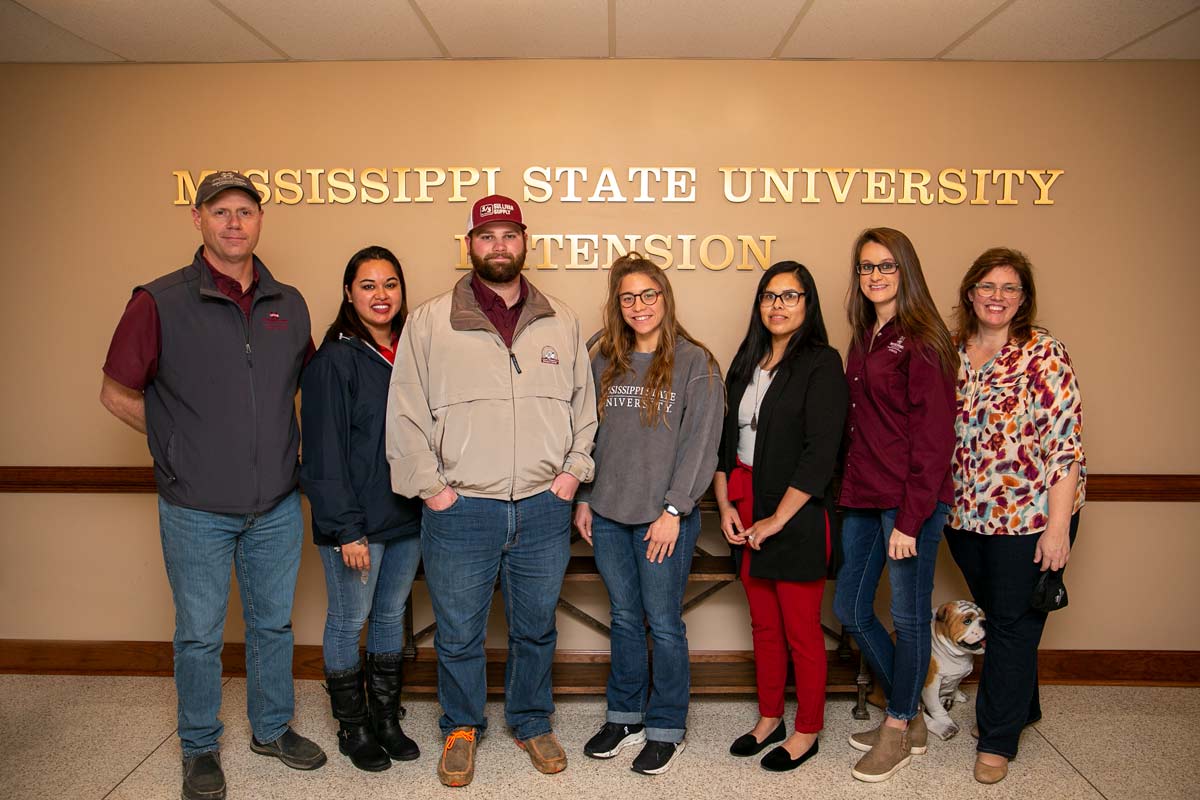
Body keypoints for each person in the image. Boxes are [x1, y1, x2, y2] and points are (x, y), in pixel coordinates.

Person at [99, 171, 325, 800]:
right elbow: (115, 393)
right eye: (220, 211)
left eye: (245, 211)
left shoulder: (289, 302)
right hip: (195, 505)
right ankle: (199, 746)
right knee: (199, 634)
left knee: (272, 625)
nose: (234, 223)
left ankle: (273, 728)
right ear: (197, 219)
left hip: (277, 504)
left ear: (260, 220)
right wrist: (177, 442)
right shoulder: (159, 301)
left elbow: (307, 388)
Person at [386, 194, 597, 787]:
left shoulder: (562, 319)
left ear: (524, 242)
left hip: (542, 507)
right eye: (487, 236)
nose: (498, 245)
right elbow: (404, 414)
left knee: (536, 627)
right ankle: (460, 726)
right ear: (470, 245)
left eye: (509, 235)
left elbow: (585, 406)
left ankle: (532, 721)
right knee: (458, 632)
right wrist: (433, 492)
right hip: (461, 509)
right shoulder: (429, 321)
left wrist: (569, 476)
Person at [574, 253, 724, 776]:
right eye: (627, 297)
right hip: (609, 513)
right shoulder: (603, 361)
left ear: (665, 298)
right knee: (622, 618)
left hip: (664, 518)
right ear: (617, 305)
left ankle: (665, 726)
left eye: (648, 295)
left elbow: (702, 447)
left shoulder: (695, 362)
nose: (639, 306)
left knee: (662, 623)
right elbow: (587, 438)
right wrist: (584, 498)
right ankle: (625, 715)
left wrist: (673, 510)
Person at [944, 247, 1085, 784]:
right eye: (987, 286)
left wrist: (1056, 528)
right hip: (966, 517)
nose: (997, 297)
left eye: (1009, 288)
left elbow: (1065, 445)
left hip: (1029, 518)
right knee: (1006, 617)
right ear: (970, 293)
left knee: (1010, 625)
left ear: (1023, 298)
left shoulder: (1043, 353)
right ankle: (1023, 709)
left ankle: (997, 740)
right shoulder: (954, 351)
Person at [832, 227, 958, 783]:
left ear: (906, 270)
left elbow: (934, 440)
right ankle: (908, 715)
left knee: (908, 619)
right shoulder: (866, 335)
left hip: (909, 503)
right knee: (852, 609)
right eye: (865, 267)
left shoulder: (924, 339)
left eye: (886, 265)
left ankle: (899, 724)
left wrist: (910, 520)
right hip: (862, 494)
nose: (875, 275)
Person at [713, 261, 847, 772]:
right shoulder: (745, 361)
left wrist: (777, 519)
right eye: (770, 296)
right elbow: (725, 445)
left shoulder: (821, 362)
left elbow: (821, 453)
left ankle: (808, 728)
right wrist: (726, 504)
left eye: (790, 296)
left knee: (801, 630)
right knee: (763, 626)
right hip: (744, 501)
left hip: (797, 511)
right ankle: (770, 717)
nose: (778, 305)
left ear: (808, 304)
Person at [300, 246, 422, 772]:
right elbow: (323, 454)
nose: (381, 295)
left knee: (392, 615)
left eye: (390, 284)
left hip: (407, 517)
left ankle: (386, 719)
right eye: (368, 285)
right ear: (349, 292)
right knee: (351, 619)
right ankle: (353, 727)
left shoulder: (412, 351)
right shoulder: (333, 360)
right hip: (357, 524)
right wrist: (346, 529)